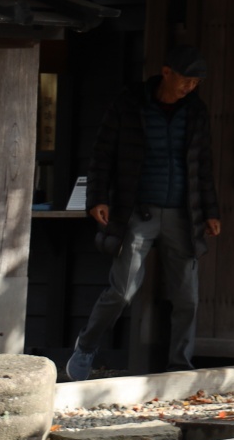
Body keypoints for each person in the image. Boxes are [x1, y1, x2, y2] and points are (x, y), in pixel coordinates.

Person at [66, 45, 220, 380]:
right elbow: (102, 154)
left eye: (196, 83)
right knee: (122, 290)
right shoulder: (129, 104)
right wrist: (97, 198)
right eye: (186, 80)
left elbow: (203, 165)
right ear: (167, 72)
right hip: (136, 211)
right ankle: (86, 347)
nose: (189, 88)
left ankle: (180, 366)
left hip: (183, 213)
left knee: (187, 297)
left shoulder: (195, 111)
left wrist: (210, 210)